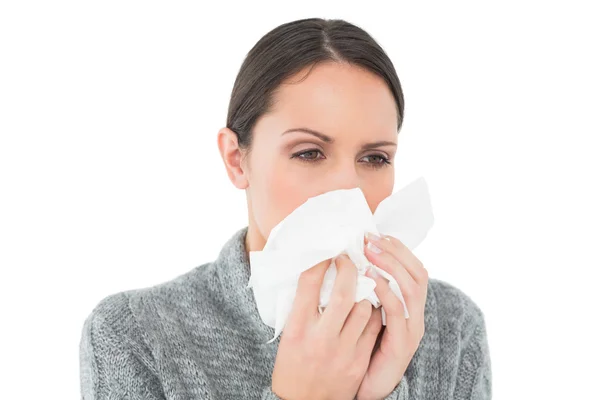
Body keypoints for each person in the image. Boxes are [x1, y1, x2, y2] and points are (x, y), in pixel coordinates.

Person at [79, 17, 492, 400]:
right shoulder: (135, 333)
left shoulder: (449, 327)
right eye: (310, 153)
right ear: (237, 160)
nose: (348, 190)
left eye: (375, 158)